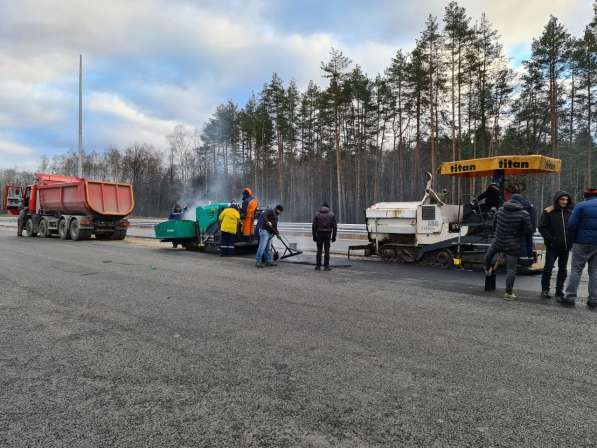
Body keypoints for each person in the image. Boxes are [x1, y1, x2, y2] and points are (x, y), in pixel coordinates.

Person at [485, 194, 533, 301]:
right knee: (511, 269)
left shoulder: (501, 210)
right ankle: (508, 293)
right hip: (513, 245)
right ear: (520, 202)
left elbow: (494, 225)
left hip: (498, 241)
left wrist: (497, 233)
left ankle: (487, 269)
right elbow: (528, 230)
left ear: (511, 200)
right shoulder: (524, 214)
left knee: (488, 255)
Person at [561, 188, 597, 307]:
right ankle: (593, 299)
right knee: (595, 271)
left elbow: (571, 225)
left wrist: (571, 241)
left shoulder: (581, 206)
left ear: (585, 195)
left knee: (576, 270)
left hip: (581, 242)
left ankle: (570, 296)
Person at [538, 191, 573, 298]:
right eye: (562, 199)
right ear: (557, 199)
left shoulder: (570, 212)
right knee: (548, 269)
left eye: (566, 199)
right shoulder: (548, 211)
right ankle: (545, 290)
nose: (564, 201)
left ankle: (559, 290)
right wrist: (551, 240)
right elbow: (542, 227)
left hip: (565, 247)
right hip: (552, 246)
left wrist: (571, 241)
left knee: (563, 270)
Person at [312, 202, 337, 271]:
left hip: (319, 234)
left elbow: (314, 226)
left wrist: (314, 236)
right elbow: (335, 227)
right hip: (328, 235)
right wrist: (334, 236)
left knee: (319, 250)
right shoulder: (331, 214)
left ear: (322, 207)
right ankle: (326, 266)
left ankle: (318, 266)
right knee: (327, 251)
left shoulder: (317, 214)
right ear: (328, 207)